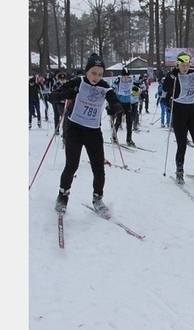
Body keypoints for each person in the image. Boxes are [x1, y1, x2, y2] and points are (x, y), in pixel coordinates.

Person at [48, 53, 123, 216]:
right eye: (93, 73)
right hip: (74, 129)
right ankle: (62, 197)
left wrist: (114, 107)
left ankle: (98, 199)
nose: (96, 77)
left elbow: (116, 102)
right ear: (87, 71)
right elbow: (52, 97)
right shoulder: (77, 82)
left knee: (98, 168)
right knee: (71, 165)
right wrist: (66, 94)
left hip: (93, 132)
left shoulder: (105, 87)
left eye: (100, 74)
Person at [163, 52, 194, 183]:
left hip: (192, 111)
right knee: (182, 144)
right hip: (179, 113)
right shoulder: (173, 76)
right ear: (178, 65)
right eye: (183, 66)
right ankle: (179, 170)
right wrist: (171, 76)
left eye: (187, 65)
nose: (185, 68)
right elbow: (165, 87)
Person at [111, 67, 139, 147]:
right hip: (120, 103)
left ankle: (129, 139)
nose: (126, 78)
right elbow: (112, 86)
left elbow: (137, 84)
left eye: (127, 76)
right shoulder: (119, 80)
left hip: (128, 102)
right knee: (119, 120)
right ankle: (114, 137)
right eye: (124, 76)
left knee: (129, 121)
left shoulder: (131, 79)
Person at [50, 72, 69, 136]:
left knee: (67, 117)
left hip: (67, 103)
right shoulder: (56, 86)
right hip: (59, 103)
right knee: (61, 116)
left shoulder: (68, 85)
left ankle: (65, 132)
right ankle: (59, 130)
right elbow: (53, 94)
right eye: (61, 80)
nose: (63, 81)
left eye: (64, 79)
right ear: (58, 80)